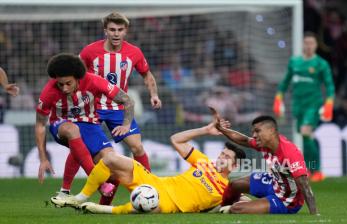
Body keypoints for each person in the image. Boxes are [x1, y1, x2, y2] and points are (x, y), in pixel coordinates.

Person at [58, 12, 162, 205]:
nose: (116, 33)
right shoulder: (89, 51)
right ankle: (65, 190)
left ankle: (148, 185)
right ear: (105, 30)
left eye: (120, 30)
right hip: (92, 107)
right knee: (79, 146)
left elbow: (147, 75)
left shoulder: (134, 53)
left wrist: (154, 95)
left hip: (118, 107)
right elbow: (75, 75)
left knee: (137, 146)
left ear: (126, 31)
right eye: (112, 29)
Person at [50, 119, 246, 214]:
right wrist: (204, 130)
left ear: (234, 165)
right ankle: (79, 198)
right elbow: (176, 140)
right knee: (110, 159)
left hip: (170, 204)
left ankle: (102, 210)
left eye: (226, 157)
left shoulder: (228, 190)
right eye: (221, 153)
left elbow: (245, 202)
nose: (221, 158)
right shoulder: (203, 162)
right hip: (155, 182)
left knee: (146, 206)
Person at [35, 53, 134, 196]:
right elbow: (40, 125)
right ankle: (98, 184)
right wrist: (43, 158)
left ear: (78, 78)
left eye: (68, 83)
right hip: (61, 125)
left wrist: (127, 124)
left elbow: (127, 100)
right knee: (73, 130)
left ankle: (102, 209)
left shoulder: (94, 81)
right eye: (60, 84)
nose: (64, 88)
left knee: (111, 166)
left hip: (90, 125)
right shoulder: (48, 92)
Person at [210, 108, 317, 215]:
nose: (254, 135)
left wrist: (314, 214)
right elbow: (244, 140)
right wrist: (221, 129)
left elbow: (304, 186)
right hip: (274, 183)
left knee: (237, 209)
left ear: (271, 131)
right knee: (235, 185)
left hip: (286, 200)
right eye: (253, 132)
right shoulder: (263, 144)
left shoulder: (290, 153)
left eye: (257, 131)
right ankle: (223, 208)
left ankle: (239, 206)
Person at [273, 32, 335, 182]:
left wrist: (329, 103)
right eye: (306, 43)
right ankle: (309, 169)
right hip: (297, 105)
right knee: (305, 136)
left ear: (316, 45)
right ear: (303, 44)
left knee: (305, 131)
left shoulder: (321, 64)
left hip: (313, 104)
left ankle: (317, 170)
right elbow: (285, 82)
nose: (308, 46)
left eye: (311, 43)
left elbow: (329, 85)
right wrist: (278, 97)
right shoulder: (294, 62)